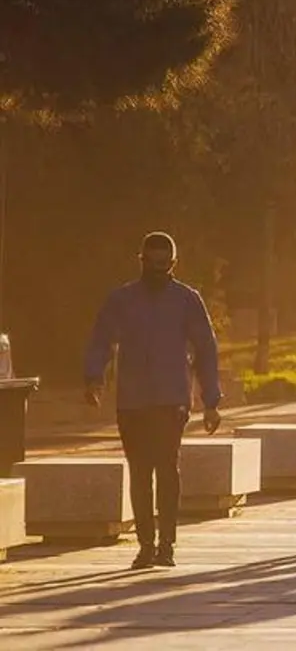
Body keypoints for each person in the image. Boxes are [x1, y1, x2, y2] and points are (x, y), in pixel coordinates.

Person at [84, 232, 222, 570]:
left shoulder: (187, 300)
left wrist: (211, 400)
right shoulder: (122, 299)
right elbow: (101, 338)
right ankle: (146, 545)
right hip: (132, 401)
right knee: (140, 472)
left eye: (165, 264)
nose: (158, 270)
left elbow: (206, 348)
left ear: (173, 264)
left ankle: (167, 544)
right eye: (152, 263)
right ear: (141, 260)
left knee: (167, 468)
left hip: (171, 398)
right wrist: (93, 378)